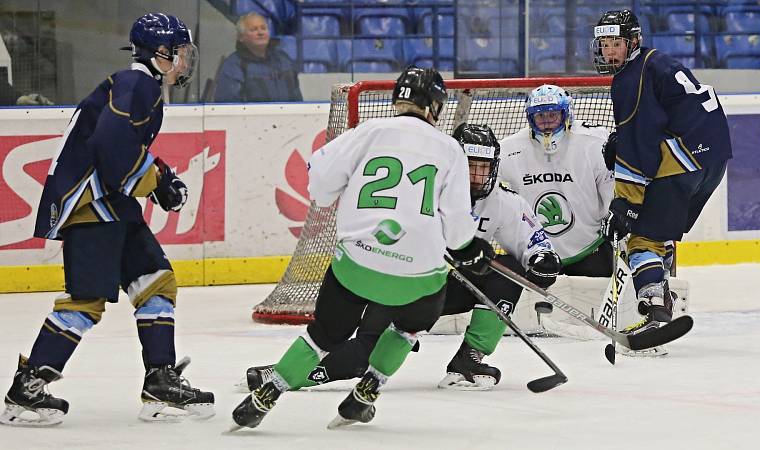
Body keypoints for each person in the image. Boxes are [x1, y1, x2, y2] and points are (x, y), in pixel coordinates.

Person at [230, 66, 490, 431]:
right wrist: (470, 248)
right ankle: (368, 390)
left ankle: (267, 394)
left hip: (356, 265)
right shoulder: (449, 148)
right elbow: (458, 226)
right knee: (407, 329)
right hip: (418, 277)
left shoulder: (366, 132)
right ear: (434, 106)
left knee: (322, 336)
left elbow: (319, 186)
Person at [0, 13, 214, 427]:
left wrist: (160, 178)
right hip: (94, 204)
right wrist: (154, 182)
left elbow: (121, 146)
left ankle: (160, 381)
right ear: (159, 53)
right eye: (180, 53)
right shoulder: (137, 84)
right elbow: (110, 145)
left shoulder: (138, 85)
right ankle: (26, 390)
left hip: (111, 204)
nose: (185, 62)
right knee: (85, 300)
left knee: (156, 281)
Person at [239, 123, 561, 393]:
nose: (476, 176)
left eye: (484, 167)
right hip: (411, 281)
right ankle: (295, 373)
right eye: (470, 165)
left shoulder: (502, 201)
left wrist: (543, 259)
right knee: (364, 355)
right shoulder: (423, 189)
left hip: (450, 289)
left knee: (506, 271)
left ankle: (469, 358)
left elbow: (533, 240)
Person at [592, 9, 731, 328]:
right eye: (605, 44)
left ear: (634, 42)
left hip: (682, 161)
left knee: (642, 237)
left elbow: (638, 146)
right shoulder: (658, 62)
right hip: (714, 159)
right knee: (660, 230)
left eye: (616, 43)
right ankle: (660, 285)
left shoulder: (629, 79)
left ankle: (654, 308)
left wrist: (625, 203)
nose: (609, 51)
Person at [498, 84, 615, 277]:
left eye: (552, 115)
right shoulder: (509, 149)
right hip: (538, 258)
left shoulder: (593, 142)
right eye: (540, 116)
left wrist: (615, 210)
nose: (547, 122)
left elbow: (610, 185)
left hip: (589, 250)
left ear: (566, 113)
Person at [214, 12, 302, 103]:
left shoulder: (283, 59)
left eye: (263, 28)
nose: (260, 32)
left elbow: (297, 98)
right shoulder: (233, 65)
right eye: (253, 30)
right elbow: (227, 106)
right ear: (241, 37)